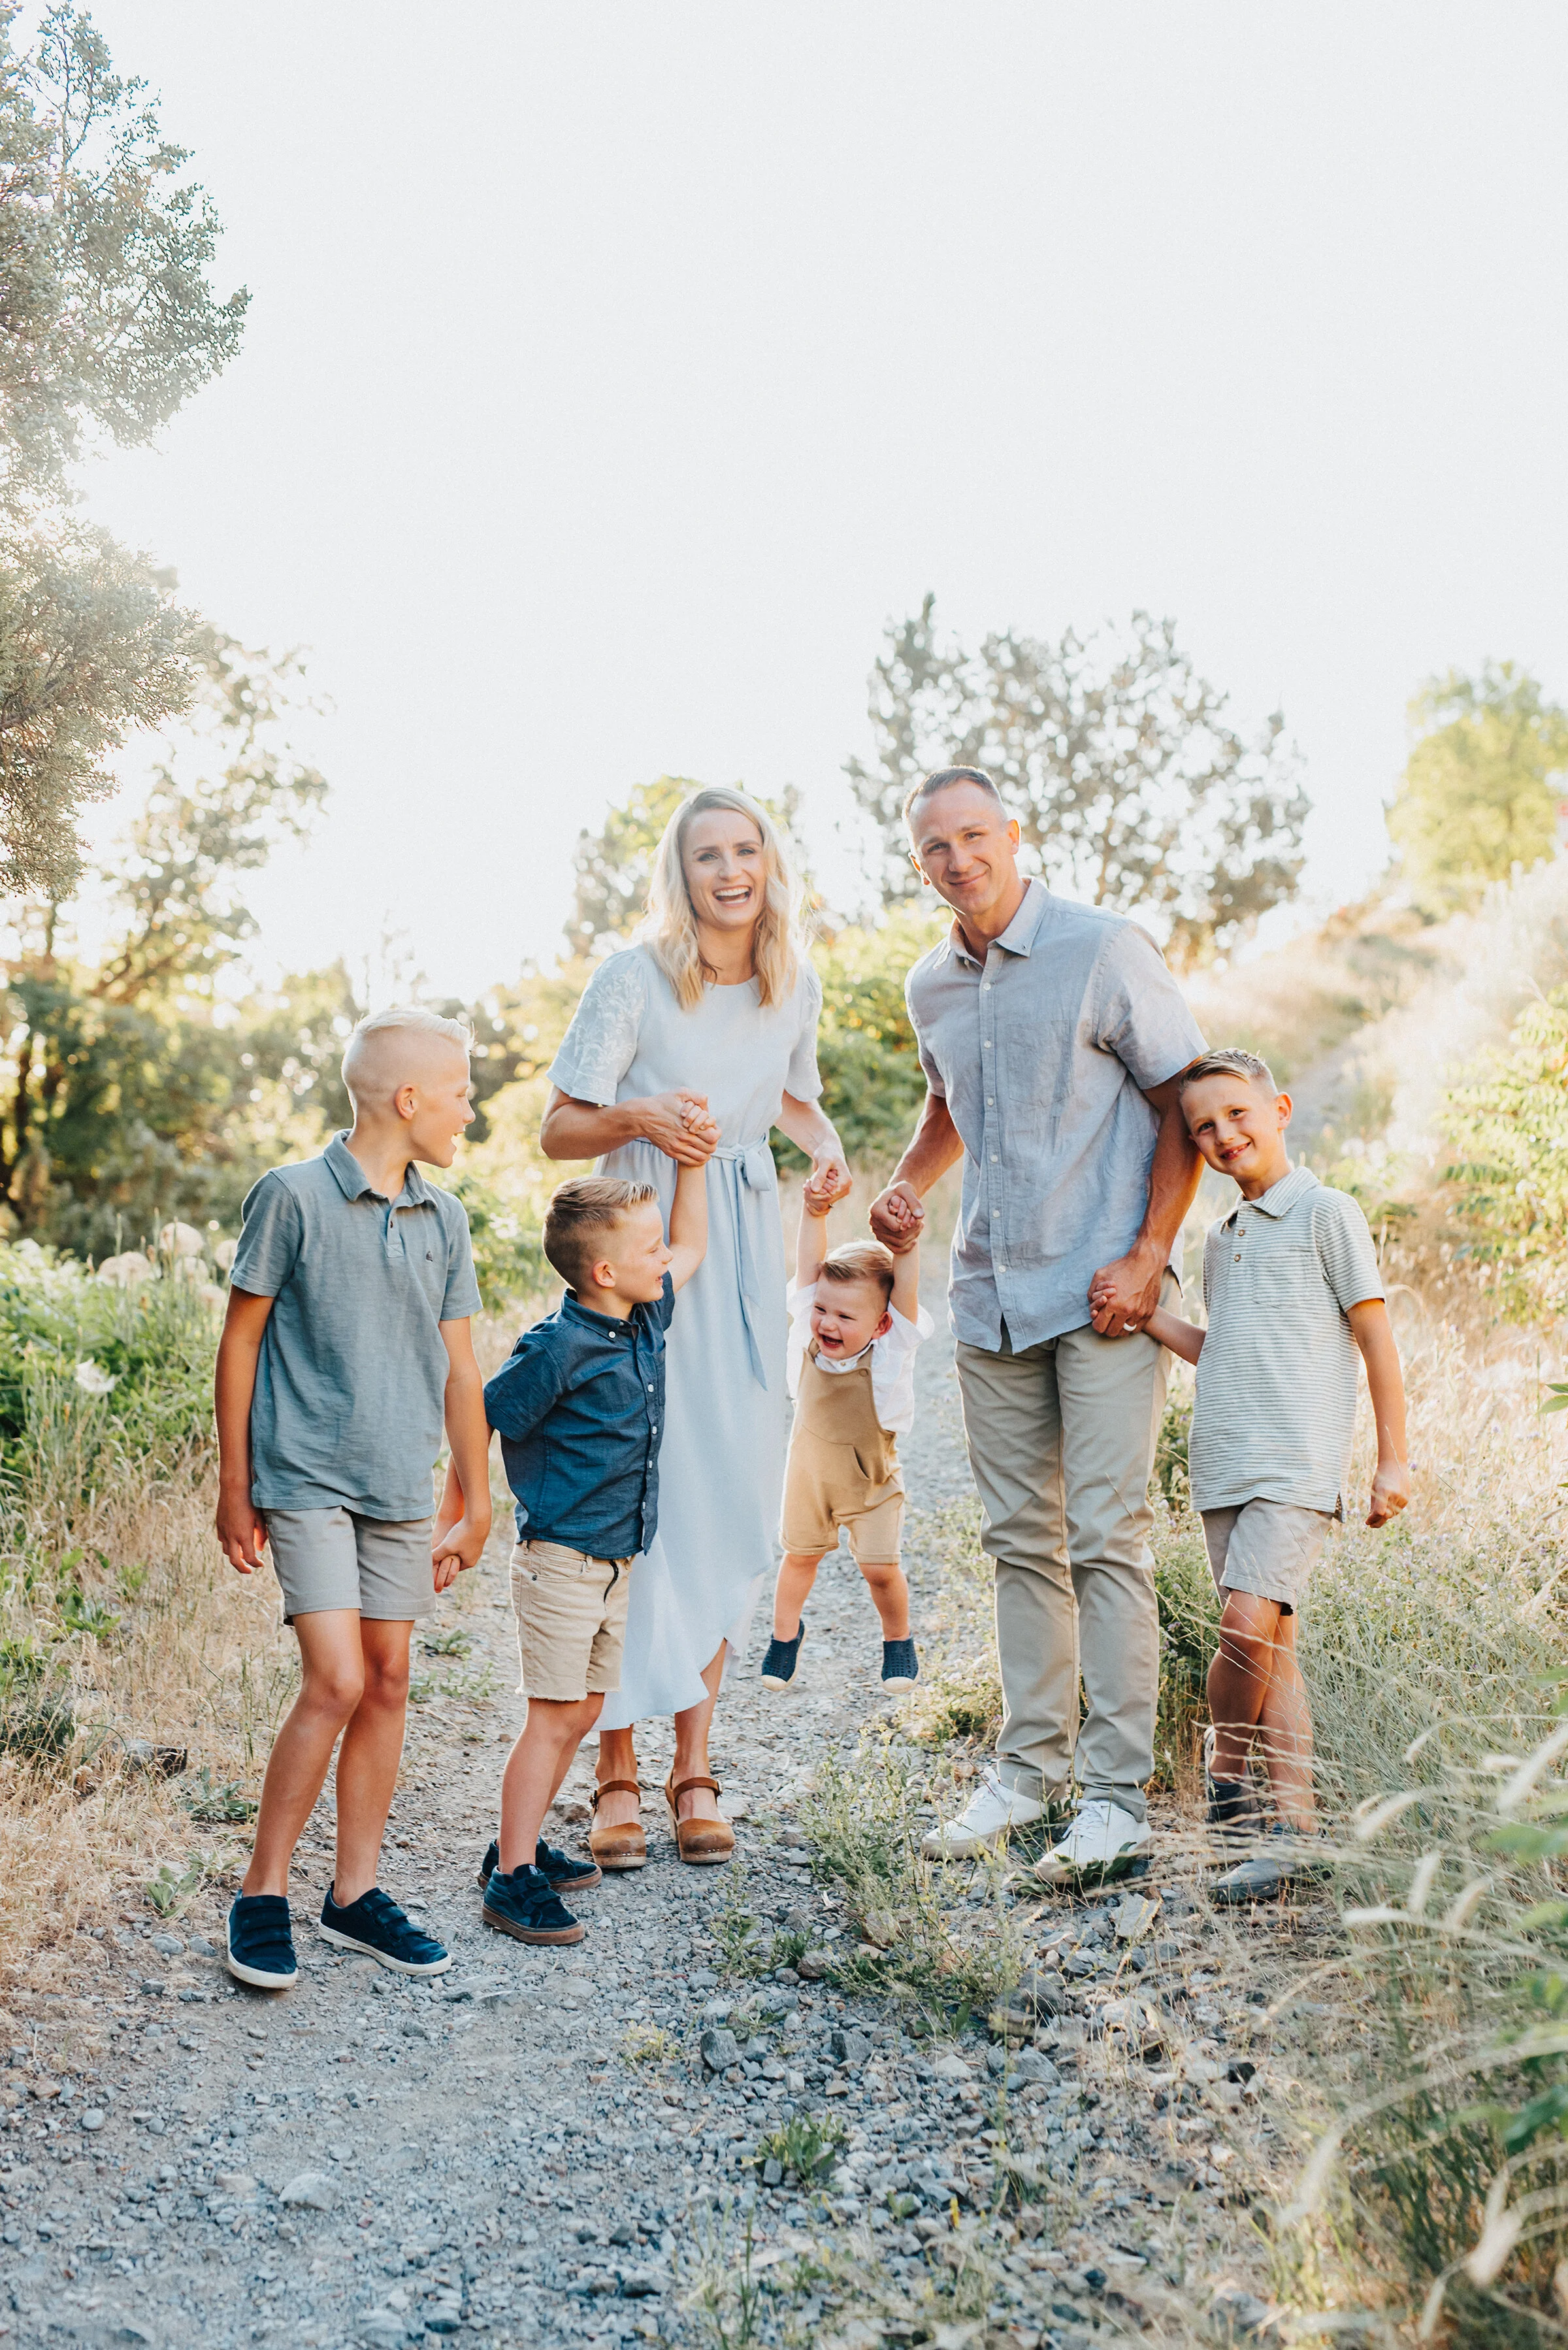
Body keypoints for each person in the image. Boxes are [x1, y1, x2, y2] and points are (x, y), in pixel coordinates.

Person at [870, 767, 1206, 1887]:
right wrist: (910, 1183)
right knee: (1019, 1541)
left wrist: (1150, 1256)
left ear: (1014, 836)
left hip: (1102, 1291)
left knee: (1105, 1536)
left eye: (975, 836)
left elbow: (1185, 1105)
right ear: (918, 863)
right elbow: (947, 1100)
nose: (958, 859)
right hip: (989, 1296)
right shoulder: (930, 985)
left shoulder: (1106, 949)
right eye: (935, 847)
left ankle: (1114, 1800)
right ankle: (1028, 1776)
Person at [540, 786, 849, 1868]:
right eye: (707, 853)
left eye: (746, 850)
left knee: (723, 1492)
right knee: (640, 1496)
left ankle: (696, 1766)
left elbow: (791, 1097)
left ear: (771, 863)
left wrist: (828, 1147)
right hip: (641, 1240)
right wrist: (644, 1117)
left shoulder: (792, 981)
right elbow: (557, 1126)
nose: (729, 870)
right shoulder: (634, 977)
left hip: (744, 1253)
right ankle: (615, 1771)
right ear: (681, 871)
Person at [214, 1007, 492, 1989]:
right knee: (334, 1678)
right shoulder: (289, 1198)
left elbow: (464, 1372)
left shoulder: (446, 1217)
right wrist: (234, 1484)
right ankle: (261, 1892)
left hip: (398, 1483)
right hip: (304, 1478)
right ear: (409, 1100)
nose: (471, 1110)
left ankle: (354, 1897)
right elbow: (241, 1339)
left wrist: (477, 1498)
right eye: (461, 1093)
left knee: (388, 1679)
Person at [1132, 1049, 1410, 1901]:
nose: (1222, 1135)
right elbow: (1222, 1355)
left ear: (1280, 1108)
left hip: (1297, 1464)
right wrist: (1151, 1320)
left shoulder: (1327, 1213)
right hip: (1225, 1462)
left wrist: (1393, 1457)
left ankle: (1225, 1769)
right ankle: (1296, 1829)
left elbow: (1375, 1342)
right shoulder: (1222, 1238)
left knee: (1248, 1625)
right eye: (1203, 1128)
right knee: (1272, 1648)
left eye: (1237, 1115)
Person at [470, 1168, 709, 1943]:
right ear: (605, 1272)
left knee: (581, 1709)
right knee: (550, 1718)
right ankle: (511, 1879)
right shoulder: (558, 1346)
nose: (666, 1255)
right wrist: (464, 1515)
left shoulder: (641, 1318)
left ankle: (518, 1840)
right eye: (650, 1246)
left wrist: (697, 1163)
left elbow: (696, 1242)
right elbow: (484, 1415)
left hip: (615, 1564)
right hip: (561, 1563)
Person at [761, 1199, 933, 1693]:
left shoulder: (889, 1354)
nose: (828, 1324)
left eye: (845, 1316)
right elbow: (808, 1271)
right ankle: (783, 1638)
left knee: (880, 1569)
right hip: (809, 1478)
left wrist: (907, 1245)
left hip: (871, 1482)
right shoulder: (808, 1338)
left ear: (881, 1325)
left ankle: (897, 1640)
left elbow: (906, 1297)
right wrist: (813, 1213)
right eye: (822, 1309)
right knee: (799, 1557)